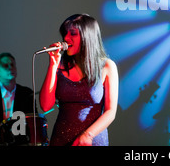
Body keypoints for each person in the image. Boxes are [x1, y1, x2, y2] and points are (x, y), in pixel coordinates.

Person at [40, 14, 118, 146]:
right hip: (61, 140)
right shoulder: (59, 65)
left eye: (73, 34)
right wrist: (53, 65)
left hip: (92, 140)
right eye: (65, 34)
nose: (66, 38)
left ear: (88, 36)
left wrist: (88, 135)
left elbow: (110, 112)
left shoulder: (106, 66)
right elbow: (45, 105)